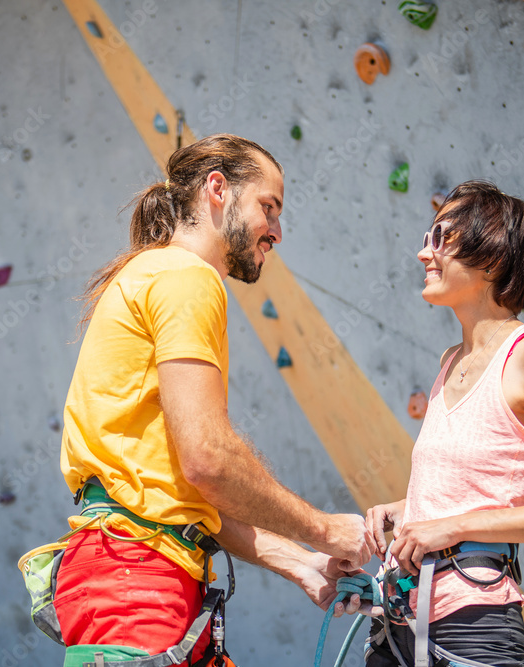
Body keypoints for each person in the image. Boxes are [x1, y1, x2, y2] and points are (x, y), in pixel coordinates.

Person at [55, 134, 370, 664]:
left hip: (131, 569)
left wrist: (302, 562)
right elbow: (208, 460)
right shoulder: (187, 278)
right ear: (217, 189)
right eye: (267, 208)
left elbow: (183, 490)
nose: (276, 230)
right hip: (139, 579)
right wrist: (325, 529)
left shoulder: (155, 273)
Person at [350, 180, 524, 666]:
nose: (422, 252)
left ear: (491, 256)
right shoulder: (452, 359)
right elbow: (480, 484)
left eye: (440, 238)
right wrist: (408, 509)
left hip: (473, 623)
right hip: (398, 620)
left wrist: (452, 526)